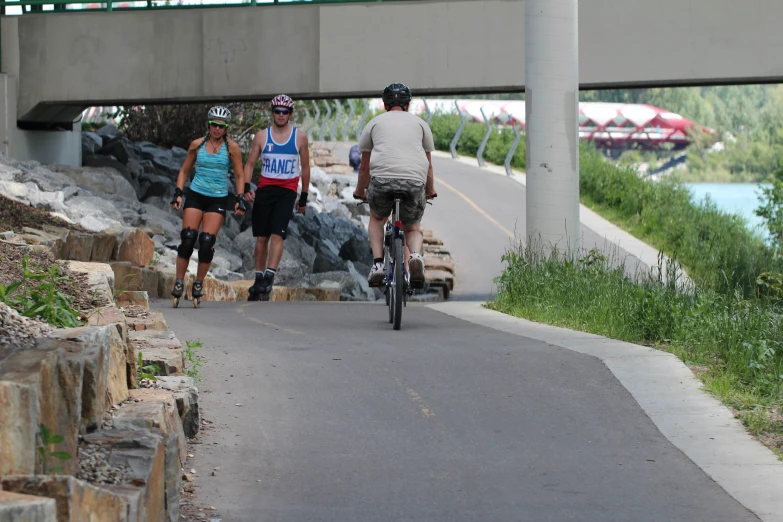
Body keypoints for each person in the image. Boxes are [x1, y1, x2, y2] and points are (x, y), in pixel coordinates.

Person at [353, 83, 437, 288]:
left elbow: (364, 167)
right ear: (408, 105)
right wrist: (430, 190)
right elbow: (428, 166)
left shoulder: (374, 124)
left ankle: (378, 265)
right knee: (412, 227)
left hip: (382, 181)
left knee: (377, 218)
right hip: (414, 181)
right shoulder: (420, 124)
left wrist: (359, 191)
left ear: (384, 105)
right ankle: (415, 257)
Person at [169, 106, 247, 306]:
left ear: (226, 127)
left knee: (206, 242)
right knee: (187, 240)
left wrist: (240, 198)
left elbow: (239, 174)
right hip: (196, 195)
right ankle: (179, 281)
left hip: (217, 198)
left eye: (221, 126)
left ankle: (198, 283)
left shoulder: (232, 148)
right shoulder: (197, 145)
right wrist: (178, 192)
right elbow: (184, 171)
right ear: (209, 124)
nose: (217, 129)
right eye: (214, 125)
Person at [243, 94, 311, 301]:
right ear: (272, 112)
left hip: (287, 191)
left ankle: (269, 276)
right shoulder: (262, 136)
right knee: (261, 237)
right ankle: (259, 277)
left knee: (277, 235)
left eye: (285, 112)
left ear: (290, 114)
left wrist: (304, 197)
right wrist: (246, 187)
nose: (281, 115)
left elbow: (306, 167)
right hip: (265, 189)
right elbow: (249, 164)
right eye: (277, 111)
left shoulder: (299, 137)